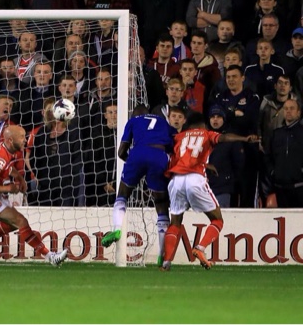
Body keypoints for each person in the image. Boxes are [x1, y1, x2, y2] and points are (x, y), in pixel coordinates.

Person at [161, 113, 258, 270]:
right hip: (195, 179)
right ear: (203, 125)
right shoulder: (206, 134)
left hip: (176, 179)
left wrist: (205, 165)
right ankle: (200, 248)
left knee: (175, 222)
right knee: (217, 220)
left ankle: (167, 261)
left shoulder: (179, 137)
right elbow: (224, 138)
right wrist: (244, 139)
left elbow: (185, 158)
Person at [0, 125, 69, 266]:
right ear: (9, 140)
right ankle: (50, 256)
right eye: (21, 137)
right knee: (21, 221)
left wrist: (19, 178)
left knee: (13, 224)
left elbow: (8, 167)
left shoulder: (7, 149)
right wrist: (8, 187)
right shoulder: (0, 157)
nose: (25, 140)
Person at [101, 104, 176, 266]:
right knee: (161, 204)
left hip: (138, 154)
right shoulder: (165, 124)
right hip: (159, 156)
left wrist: (134, 166)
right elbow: (174, 147)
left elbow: (121, 152)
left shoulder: (133, 121)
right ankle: (162, 255)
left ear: (134, 114)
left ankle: (117, 228)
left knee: (122, 195)